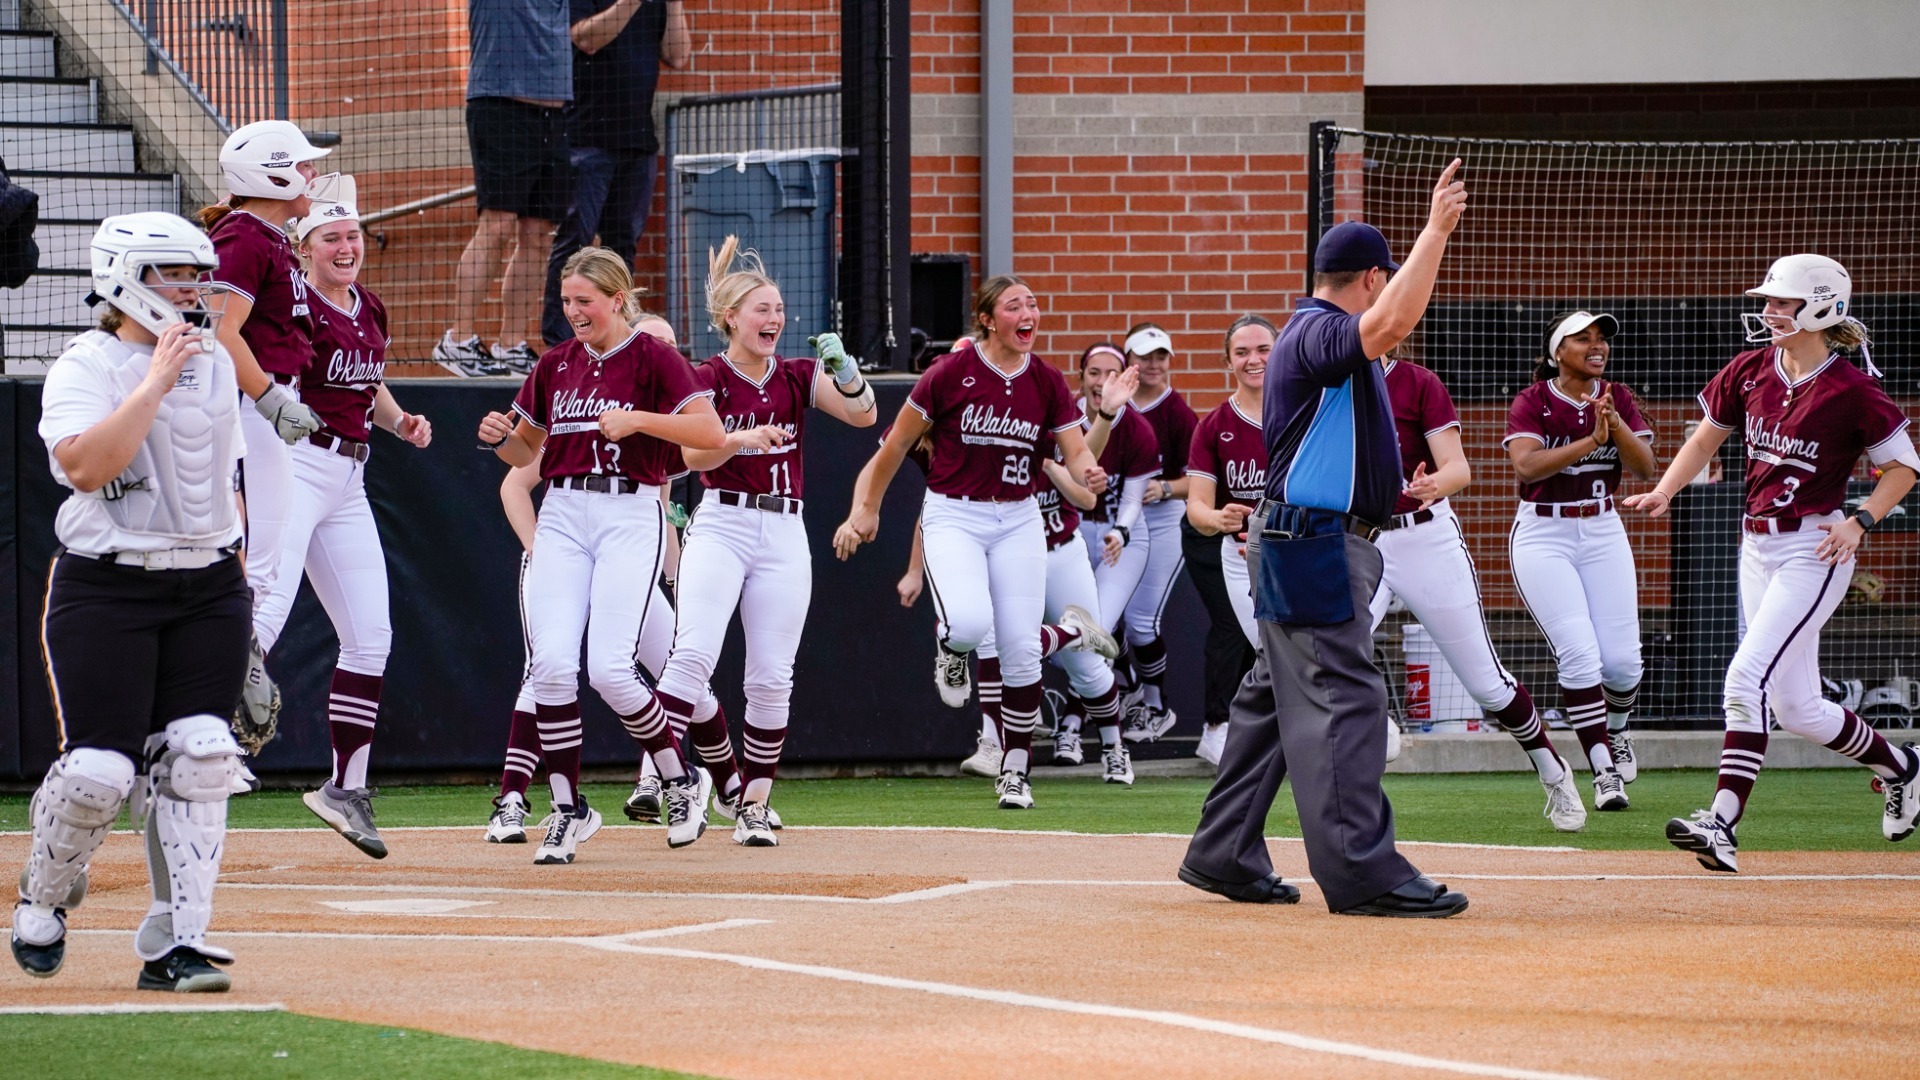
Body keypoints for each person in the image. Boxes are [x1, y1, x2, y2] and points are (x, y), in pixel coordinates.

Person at [1180, 177, 1473, 918]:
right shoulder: (1314, 329)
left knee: (1275, 704)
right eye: (1381, 281)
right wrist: (1435, 231)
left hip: (1298, 539)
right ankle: (1362, 872)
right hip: (1314, 541)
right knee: (1346, 700)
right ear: (1371, 278)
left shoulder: (1310, 330)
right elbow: (1390, 323)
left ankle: (1223, 853)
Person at [12, 213, 249, 991]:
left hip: (208, 585)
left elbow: (225, 482)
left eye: (196, 275)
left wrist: (244, 596)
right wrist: (152, 380)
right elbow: (86, 468)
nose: (193, 291)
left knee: (204, 754)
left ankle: (178, 944)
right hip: (107, 585)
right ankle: (43, 898)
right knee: (99, 772)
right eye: (174, 276)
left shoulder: (215, 364)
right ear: (125, 282)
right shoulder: (84, 364)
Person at [1627, 254, 1920, 872]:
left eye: (1782, 302)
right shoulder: (1753, 367)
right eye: (1770, 300)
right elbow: (1706, 437)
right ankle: (1904, 768)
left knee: (1744, 678)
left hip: (1814, 547)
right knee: (1799, 709)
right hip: (1756, 545)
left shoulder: (1852, 389)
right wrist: (1666, 490)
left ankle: (1722, 823)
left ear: (1820, 306)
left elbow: (1904, 467)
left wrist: (1860, 519)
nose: (1769, 311)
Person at [476, 246, 726, 862]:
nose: (573, 312)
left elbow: (710, 435)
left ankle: (676, 778)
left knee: (610, 669)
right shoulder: (555, 363)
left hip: (628, 508)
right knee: (553, 667)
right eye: (566, 302)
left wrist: (639, 419)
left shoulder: (654, 357)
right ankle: (568, 809)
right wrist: (501, 440)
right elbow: (525, 451)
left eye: (584, 301)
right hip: (563, 511)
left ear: (618, 298)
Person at [632, 238, 876, 846]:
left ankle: (754, 805)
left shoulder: (796, 376)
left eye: (778, 308)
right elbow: (690, 454)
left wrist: (846, 372)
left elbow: (865, 415)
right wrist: (744, 440)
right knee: (692, 658)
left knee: (771, 676)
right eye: (761, 309)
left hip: (785, 527)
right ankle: (677, 779)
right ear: (732, 318)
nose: (775, 319)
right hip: (723, 520)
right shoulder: (708, 375)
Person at [836, 275, 1105, 810]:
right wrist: (867, 508)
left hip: (1019, 517)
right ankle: (952, 649)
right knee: (968, 624)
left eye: (1031, 303)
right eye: (1013, 305)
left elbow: (1076, 450)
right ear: (986, 318)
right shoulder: (950, 373)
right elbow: (894, 448)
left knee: (1022, 651)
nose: (1027, 313)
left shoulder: (1047, 381)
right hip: (955, 515)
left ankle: (1015, 770)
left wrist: (1088, 468)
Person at [241, 177, 434, 858]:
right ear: (304, 248)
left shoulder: (369, 306)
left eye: (353, 234)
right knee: (262, 615)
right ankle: (194, 747)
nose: (347, 245)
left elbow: (368, 380)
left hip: (350, 473)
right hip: (298, 460)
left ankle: (343, 788)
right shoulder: (297, 307)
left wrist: (400, 418)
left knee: (371, 636)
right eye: (332, 237)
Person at [483, 312, 680, 843]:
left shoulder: (662, 407)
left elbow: (662, 502)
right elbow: (514, 479)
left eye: (671, 344)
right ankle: (517, 798)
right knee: (545, 670)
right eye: (655, 340)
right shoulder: (579, 388)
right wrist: (540, 549)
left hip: (627, 553)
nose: (664, 350)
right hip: (565, 547)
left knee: (675, 668)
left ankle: (685, 781)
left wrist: (673, 571)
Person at [1372, 348, 1584, 831]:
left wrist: (1433, 485)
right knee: (1331, 649)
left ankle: (1552, 767)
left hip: (1425, 535)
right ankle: (1375, 721)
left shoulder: (1417, 381)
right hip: (1358, 535)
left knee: (1486, 682)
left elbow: (1458, 470)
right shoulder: (1327, 381)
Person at [198, 120, 332, 783]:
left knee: (268, 567)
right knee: (260, 565)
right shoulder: (245, 236)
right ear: (272, 174)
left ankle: (206, 729)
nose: (312, 176)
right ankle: (205, 729)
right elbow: (220, 330)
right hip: (250, 409)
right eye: (302, 166)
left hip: (263, 405)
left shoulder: (267, 238)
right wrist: (270, 399)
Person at [1503, 311, 1656, 813]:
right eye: (1583, 338)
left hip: (1602, 527)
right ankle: (1603, 772)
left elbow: (1645, 467)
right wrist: (1591, 440)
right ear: (1557, 351)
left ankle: (1616, 731)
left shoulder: (1617, 396)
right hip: (1544, 532)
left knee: (1622, 661)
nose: (1597, 346)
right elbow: (1526, 464)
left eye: (1601, 339)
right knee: (1580, 655)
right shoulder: (1534, 400)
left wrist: (1612, 426)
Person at [540, 0, 691, 351]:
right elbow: (586, 38)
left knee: (622, 245)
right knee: (575, 240)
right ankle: (560, 344)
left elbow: (678, 54)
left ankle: (616, 340)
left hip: (637, 141)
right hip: (586, 137)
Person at [439, 0, 576, 375]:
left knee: (538, 235)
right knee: (496, 224)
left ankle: (510, 345)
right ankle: (458, 340)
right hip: (501, 105)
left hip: (555, 112)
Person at [1182, 314, 1274, 766]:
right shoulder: (1213, 425)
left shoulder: (1305, 412)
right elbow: (1195, 507)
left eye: (1263, 350)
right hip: (1239, 556)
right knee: (1267, 647)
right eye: (1242, 352)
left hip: (1296, 552)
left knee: (1302, 650)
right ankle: (1231, 733)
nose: (1253, 360)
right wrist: (1218, 517)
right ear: (1227, 361)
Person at [1108, 322, 1198, 743]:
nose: (1154, 365)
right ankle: (1126, 689)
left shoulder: (1177, 413)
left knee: (1142, 621)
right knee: (1105, 618)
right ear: (1129, 360)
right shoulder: (1111, 407)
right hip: (1110, 519)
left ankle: (1157, 704)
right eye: (1145, 357)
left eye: (1161, 356)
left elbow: (1197, 481)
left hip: (1161, 521)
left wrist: (1162, 487)